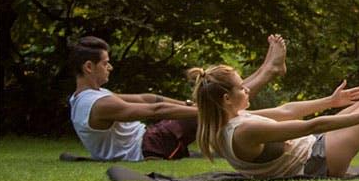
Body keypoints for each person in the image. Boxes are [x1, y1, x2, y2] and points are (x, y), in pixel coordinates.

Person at [191, 35, 359, 179]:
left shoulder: (227, 122)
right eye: (241, 87)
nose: (247, 88)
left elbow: (286, 111)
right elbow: (311, 125)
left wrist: (331, 102)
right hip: (319, 161)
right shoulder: (244, 131)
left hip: (315, 149)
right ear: (226, 99)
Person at [66, 34, 286, 161]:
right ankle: (269, 71)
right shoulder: (97, 104)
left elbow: (149, 100)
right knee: (222, 98)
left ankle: (268, 69)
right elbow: (156, 112)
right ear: (88, 67)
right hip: (149, 147)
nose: (110, 67)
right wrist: (205, 110)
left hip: (150, 140)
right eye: (105, 63)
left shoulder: (91, 96)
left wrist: (190, 105)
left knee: (220, 98)